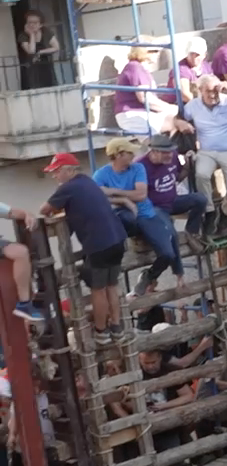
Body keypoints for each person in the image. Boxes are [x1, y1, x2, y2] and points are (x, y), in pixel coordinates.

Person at [39, 152, 129, 341]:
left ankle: (101, 331)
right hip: (118, 239)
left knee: (98, 289)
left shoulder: (68, 187)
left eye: (56, 172)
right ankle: (117, 327)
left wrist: (58, 208)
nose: (54, 176)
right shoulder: (87, 181)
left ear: (69, 170)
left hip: (98, 244)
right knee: (112, 286)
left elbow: (44, 210)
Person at [94, 137, 182, 299]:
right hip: (125, 216)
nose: (133, 156)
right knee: (119, 219)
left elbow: (141, 195)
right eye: (129, 153)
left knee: (168, 254)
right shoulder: (101, 174)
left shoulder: (138, 168)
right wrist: (124, 200)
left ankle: (149, 275)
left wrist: (111, 191)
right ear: (119, 155)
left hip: (146, 213)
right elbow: (96, 197)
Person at [178, 76, 227, 234]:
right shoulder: (193, 105)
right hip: (207, 151)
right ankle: (209, 211)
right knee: (201, 174)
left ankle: (225, 211)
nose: (213, 94)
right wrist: (180, 122)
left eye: (216, 90)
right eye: (208, 91)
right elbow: (177, 117)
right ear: (200, 91)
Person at [17, 11, 60, 90]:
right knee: (34, 86)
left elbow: (56, 47)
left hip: (45, 64)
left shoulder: (46, 32)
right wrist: (32, 35)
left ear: (41, 24)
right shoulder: (23, 35)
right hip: (31, 67)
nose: (32, 25)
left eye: (35, 22)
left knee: (49, 85)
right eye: (29, 22)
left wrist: (41, 52)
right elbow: (31, 51)